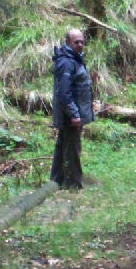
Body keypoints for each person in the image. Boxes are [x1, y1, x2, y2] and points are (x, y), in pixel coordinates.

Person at [50, 28, 94, 189]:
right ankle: (73, 185)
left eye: (82, 42)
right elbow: (64, 93)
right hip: (70, 117)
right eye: (76, 42)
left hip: (73, 114)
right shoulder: (67, 62)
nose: (80, 45)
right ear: (68, 42)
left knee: (63, 145)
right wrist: (74, 114)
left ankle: (57, 180)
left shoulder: (74, 60)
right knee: (72, 149)